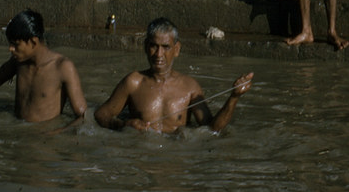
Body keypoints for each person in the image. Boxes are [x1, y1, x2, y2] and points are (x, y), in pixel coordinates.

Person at [94, 17, 252, 134]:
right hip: (140, 155)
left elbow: (212, 129)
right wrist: (124, 125)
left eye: (166, 47)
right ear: (145, 47)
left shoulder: (190, 87)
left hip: (175, 157)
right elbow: (102, 114)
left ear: (176, 49)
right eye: (154, 46)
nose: (159, 54)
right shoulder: (133, 82)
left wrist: (234, 97)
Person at [0, 8, 87, 124]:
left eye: (15, 45)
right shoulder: (19, 61)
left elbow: (82, 115)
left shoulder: (63, 67)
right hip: (19, 131)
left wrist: (58, 132)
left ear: (33, 42)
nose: (10, 49)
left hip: (45, 141)